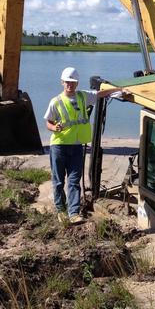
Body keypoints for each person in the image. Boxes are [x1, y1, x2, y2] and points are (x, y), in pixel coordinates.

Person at [44, 67, 126, 223]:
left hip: (76, 147)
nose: (70, 85)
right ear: (62, 82)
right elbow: (48, 122)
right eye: (67, 82)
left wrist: (119, 89)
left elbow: (101, 94)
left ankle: (73, 213)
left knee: (74, 181)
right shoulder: (56, 102)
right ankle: (61, 210)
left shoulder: (83, 97)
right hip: (59, 146)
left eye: (73, 82)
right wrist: (54, 127)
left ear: (77, 83)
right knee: (59, 181)